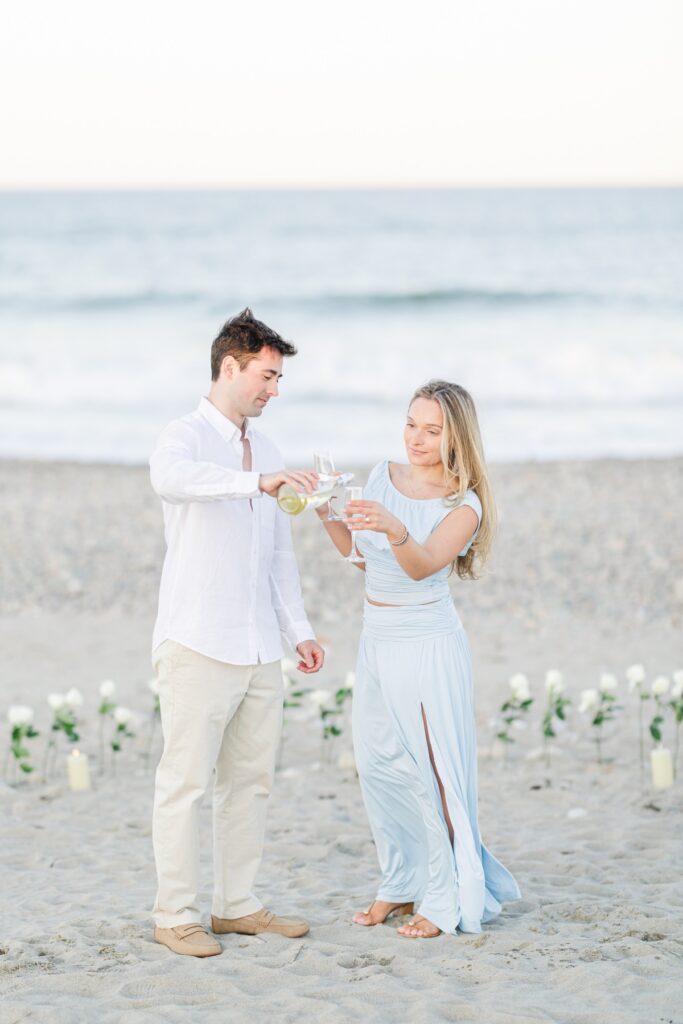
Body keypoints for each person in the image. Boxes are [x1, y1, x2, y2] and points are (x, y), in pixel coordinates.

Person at [316, 379, 521, 939]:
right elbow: (364, 559)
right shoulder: (382, 474)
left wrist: (395, 525)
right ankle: (401, 883)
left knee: (431, 773)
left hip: (427, 645)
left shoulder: (465, 503)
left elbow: (422, 563)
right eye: (412, 424)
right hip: (375, 638)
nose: (417, 439)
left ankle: (445, 896)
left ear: (456, 437)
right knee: (380, 766)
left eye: (432, 431)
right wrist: (326, 513)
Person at [149, 308, 325, 958]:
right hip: (197, 640)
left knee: (250, 782)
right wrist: (255, 482)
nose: (273, 389)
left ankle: (237, 906)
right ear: (231, 365)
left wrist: (297, 631)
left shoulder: (271, 450)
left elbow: (277, 552)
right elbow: (169, 480)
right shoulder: (184, 435)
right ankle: (175, 917)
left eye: (277, 379)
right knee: (184, 785)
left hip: (259, 647)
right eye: (267, 375)